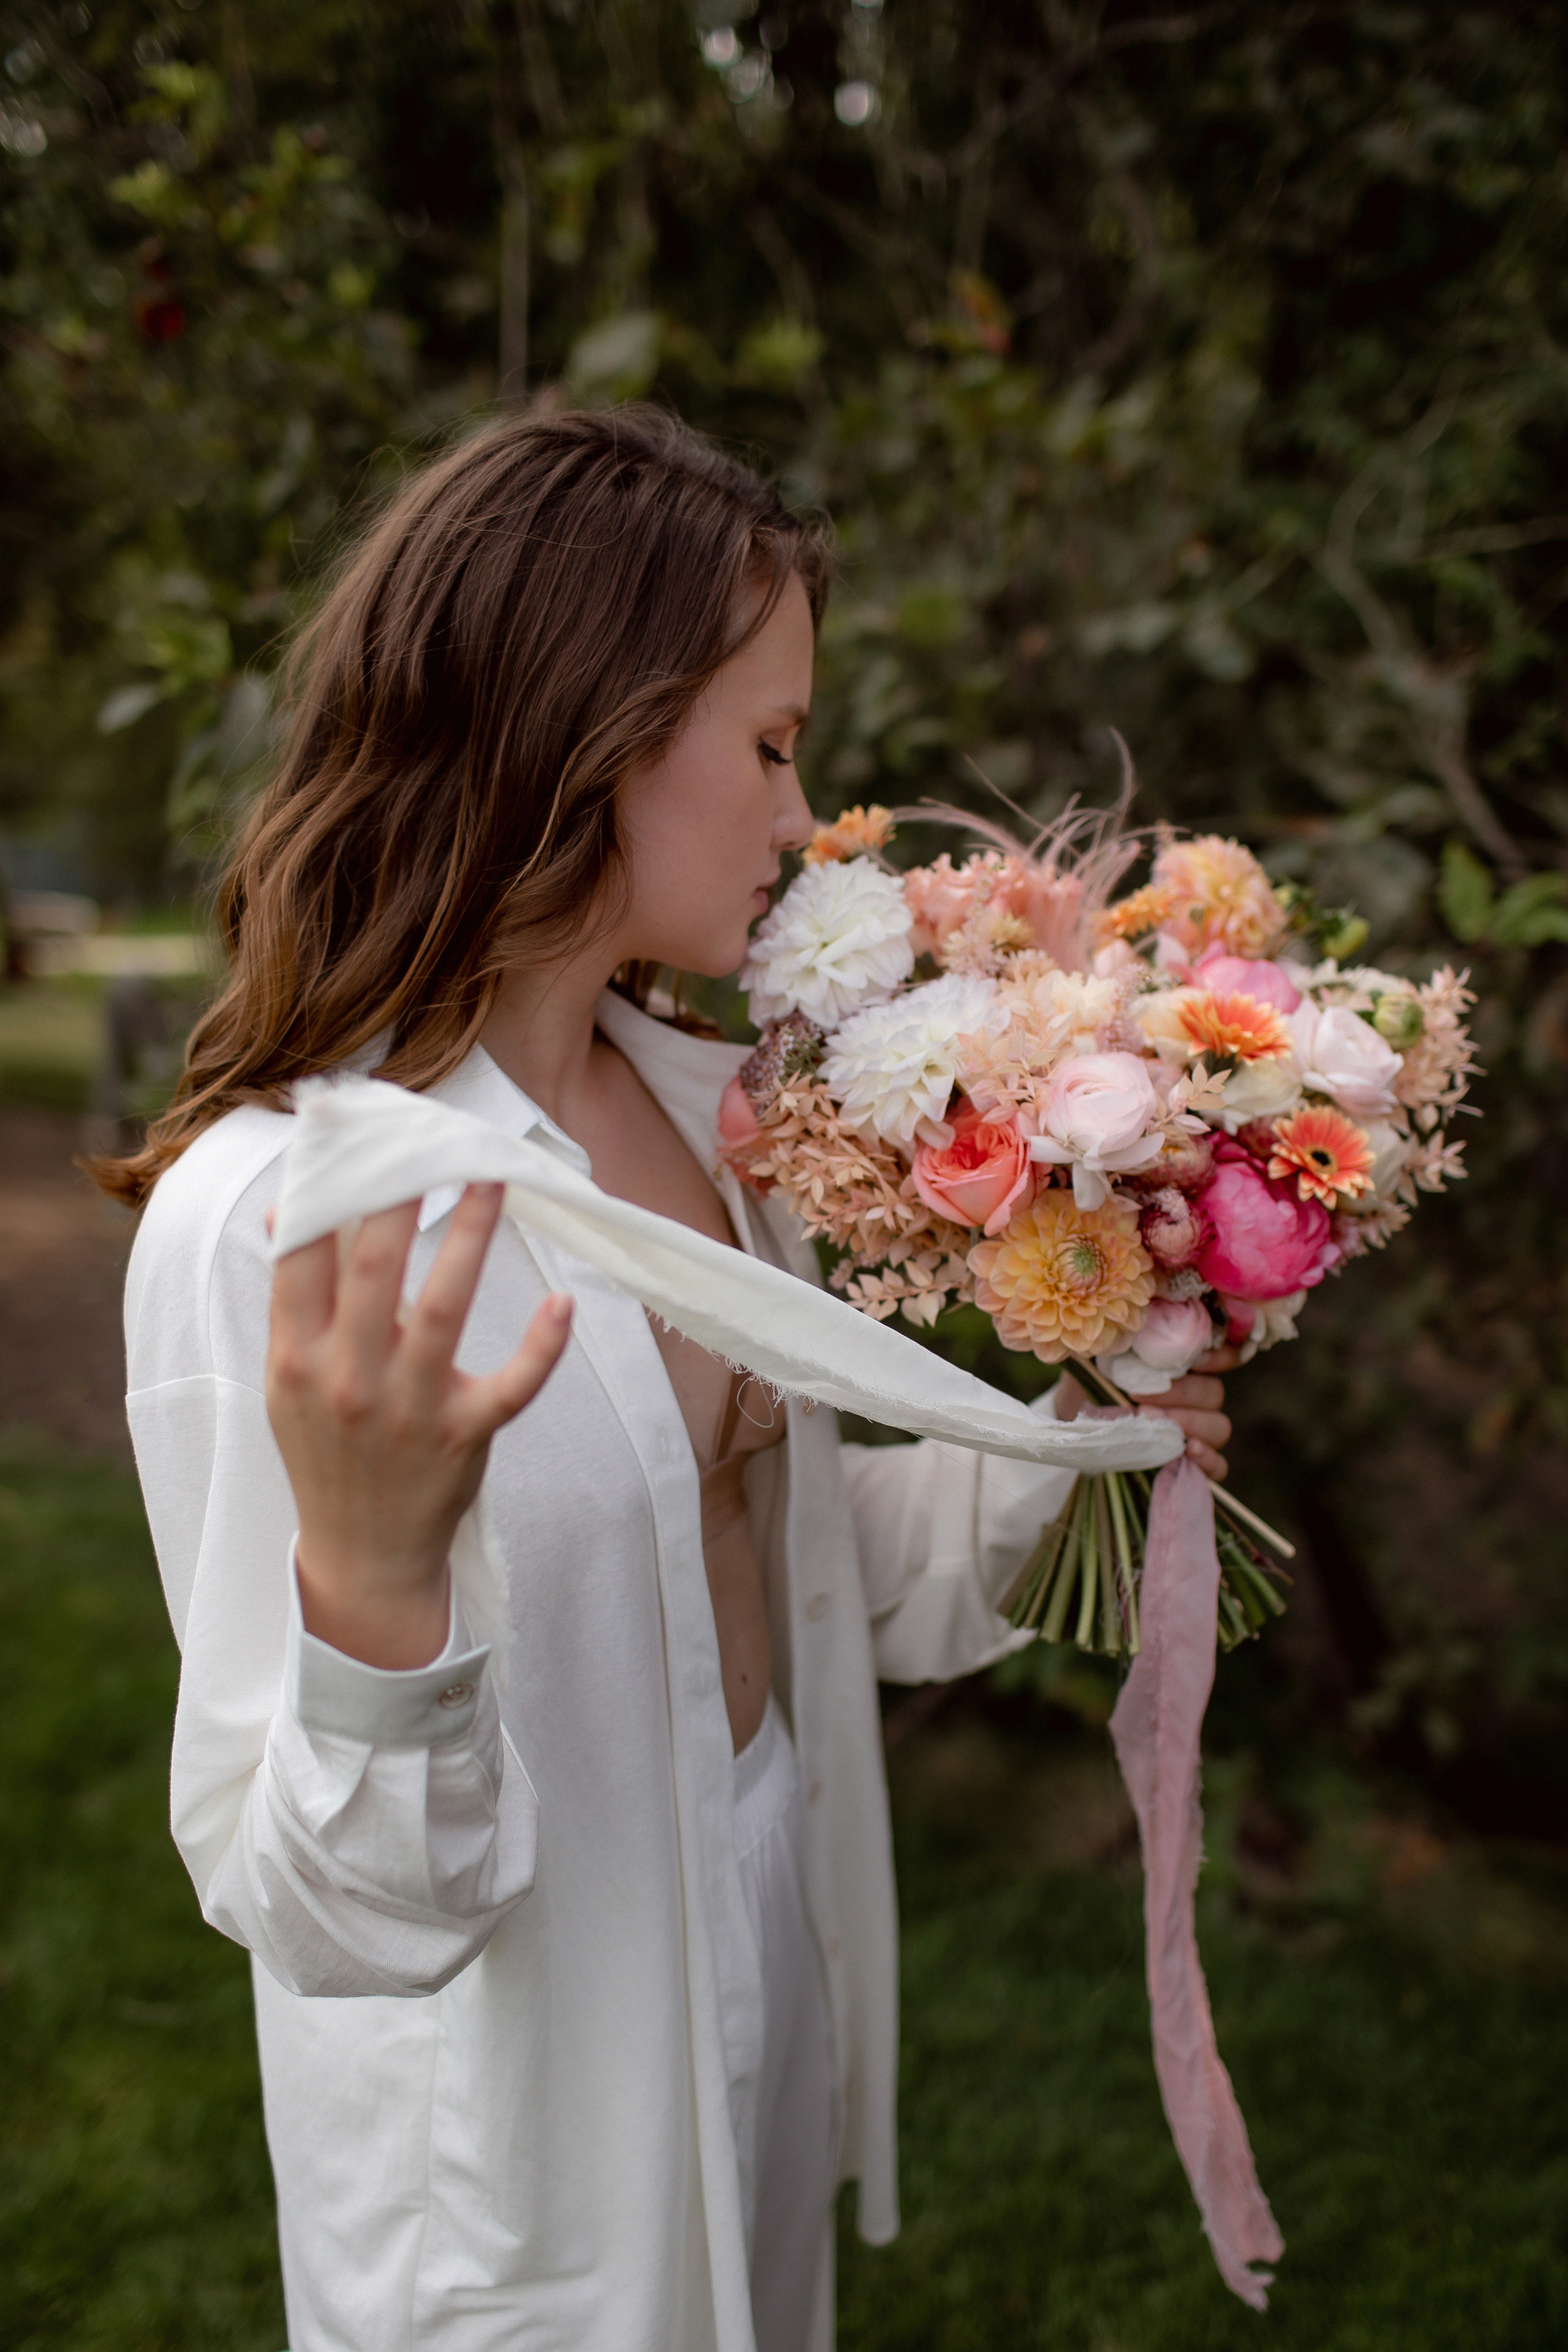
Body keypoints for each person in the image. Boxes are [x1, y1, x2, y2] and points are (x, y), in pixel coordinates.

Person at [101, 408, 1232, 2352]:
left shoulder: (717, 1132)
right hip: (519, 2149)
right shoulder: (281, 1225)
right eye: (771, 744)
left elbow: (802, 1575)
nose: (804, 819)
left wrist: (1076, 1443)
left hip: (759, 1943)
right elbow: (330, 1915)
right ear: (584, 724)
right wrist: (373, 1602)